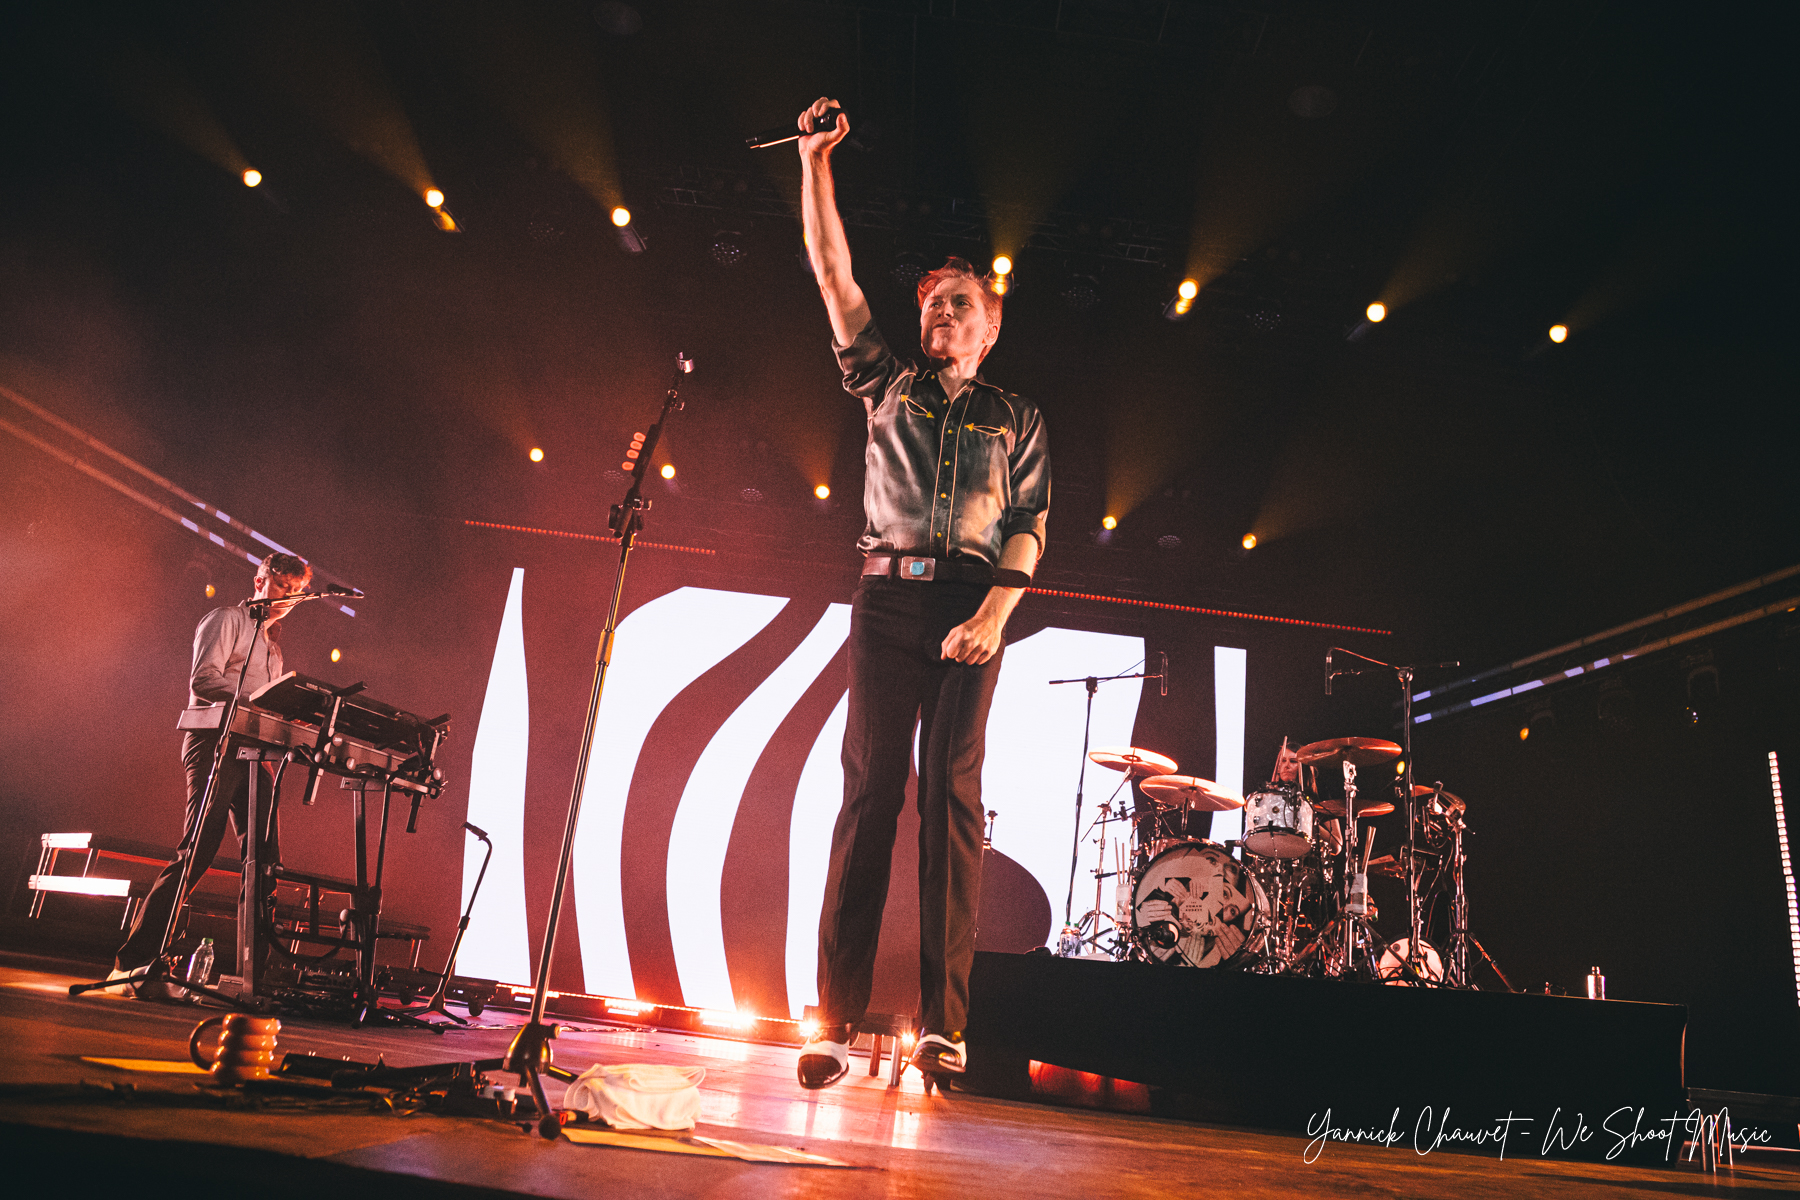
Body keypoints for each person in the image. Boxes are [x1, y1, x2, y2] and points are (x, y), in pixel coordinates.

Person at [795, 96, 1050, 1088]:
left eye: (960, 304)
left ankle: (944, 1027)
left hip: (972, 607)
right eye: (932, 302)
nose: (939, 312)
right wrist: (816, 162)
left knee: (952, 799)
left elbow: (1028, 520)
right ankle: (831, 1021)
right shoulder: (885, 385)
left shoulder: (1016, 416)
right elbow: (830, 272)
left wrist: (993, 615)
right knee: (868, 795)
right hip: (886, 599)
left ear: (989, 327)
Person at [109, 553, 312, 994]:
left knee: (264, 862)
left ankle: (249, 979)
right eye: (282, 588)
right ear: (260, 580)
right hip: (215, 743)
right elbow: (204, 680)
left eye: (295, 593)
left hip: (254, 752)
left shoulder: (274, 649)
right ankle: (133, 964)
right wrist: (263, 701)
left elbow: (266, 707)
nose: (288, 599)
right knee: (197, 850)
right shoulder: (226, 619)